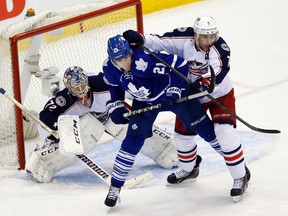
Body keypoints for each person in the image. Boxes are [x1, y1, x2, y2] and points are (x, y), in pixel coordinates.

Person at [122, 15, 251, 202]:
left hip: (219, 95)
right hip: (192, 98)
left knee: (224, 133)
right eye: (205, 37)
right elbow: (160, 42)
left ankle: (240, 176)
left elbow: (220, 71)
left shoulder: (220, 49)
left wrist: (204, 83)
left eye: (212, 36)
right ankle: (190, 170)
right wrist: (141, 39)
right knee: (182, 137)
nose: (209, 41)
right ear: (197, 34)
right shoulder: (185, 39)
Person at [103, 34, 220, 207]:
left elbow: (179, 64)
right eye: (121, 59)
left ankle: (238, 169)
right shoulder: (108, 68)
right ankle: (115, 188)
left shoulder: (144, 59)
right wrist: (117, 107)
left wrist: (173, 90)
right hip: (144, 101)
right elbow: (114, 87)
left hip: (176, 96)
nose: (127, 62)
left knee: (206, 130)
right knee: (131, 142)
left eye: (128, 56)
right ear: (113, 59)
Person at [25, 66, 180, 183]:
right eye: (76, 88)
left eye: (82, 85)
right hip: (85, 124)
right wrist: (58, 134)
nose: (81, 91)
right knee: (85, 131)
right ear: (68, 88)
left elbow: (134, 88)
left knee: (128, 125)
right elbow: (44, 120)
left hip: (111, 114)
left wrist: (158, 95)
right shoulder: (63, 100)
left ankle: (163, 148)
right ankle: (44, 161)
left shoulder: (102, 84)